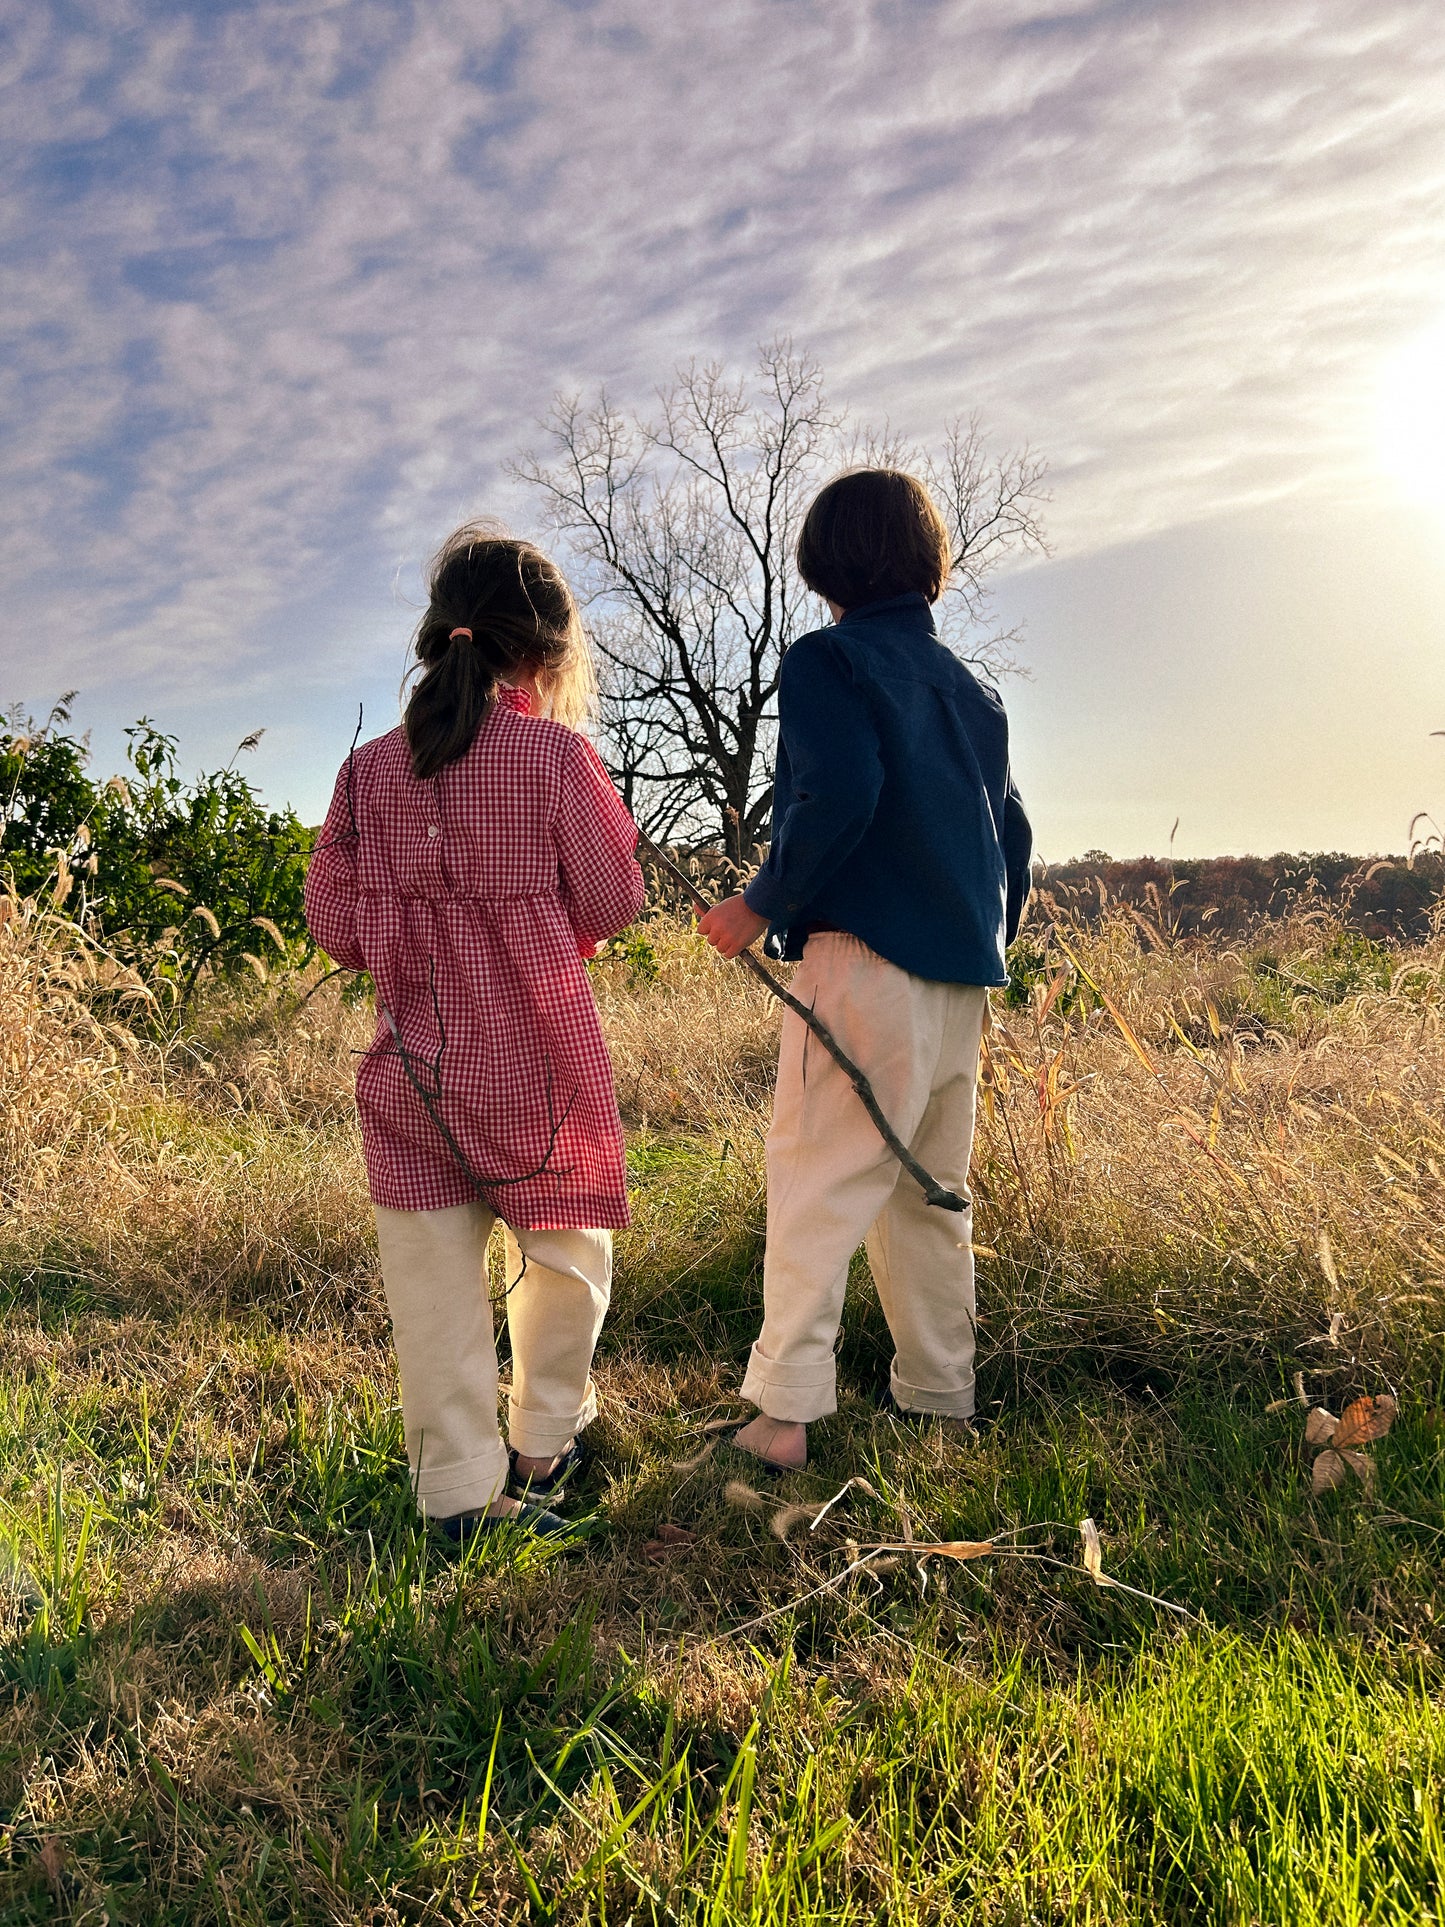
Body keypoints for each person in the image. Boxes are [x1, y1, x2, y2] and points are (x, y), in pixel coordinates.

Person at [305, 525, 644, 1539]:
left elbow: (334, 929)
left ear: (434, 638)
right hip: (540, 1068)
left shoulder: (367, 769)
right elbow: (615, 897)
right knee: (566, 1255)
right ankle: (542, 1440)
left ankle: (457, 1494)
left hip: (412, 1075)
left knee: (432, 1294)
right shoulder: (555, 757)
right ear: (543, 654)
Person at [698, 468, 1032, 1471]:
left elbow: (839, 792)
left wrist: (758, 904)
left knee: (815, 1179)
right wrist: (986, 938)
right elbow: (1011, 838)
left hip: (862, 965)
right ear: (927, 563)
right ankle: (939, 1394)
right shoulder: (973, 692)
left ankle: (784, 1413)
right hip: (960, 978)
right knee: (929, 1192)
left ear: (824, 566)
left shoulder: (825, 661)